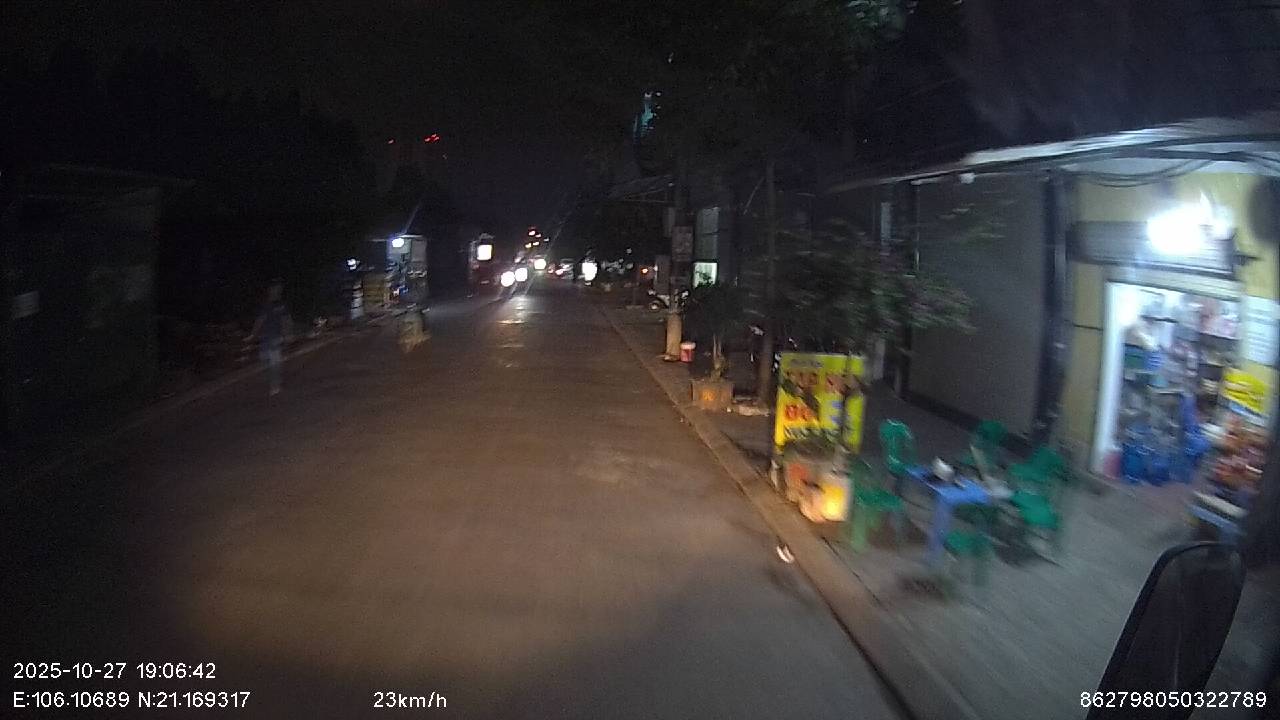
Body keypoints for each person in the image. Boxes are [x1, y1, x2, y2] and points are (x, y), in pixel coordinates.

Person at [249, 283, 291, 396]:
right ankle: (274, 381)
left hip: (275, 337)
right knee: (265, 361)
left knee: (274, 362)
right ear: (270, 291)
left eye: (278, 290)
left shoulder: (281, 305)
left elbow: (286, 320)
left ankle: (275, 385)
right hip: (265, 338)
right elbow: (259, 321)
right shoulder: (265, 305)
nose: (276, 292)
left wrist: (287, 334)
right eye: (274, 290)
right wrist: (253, 335)